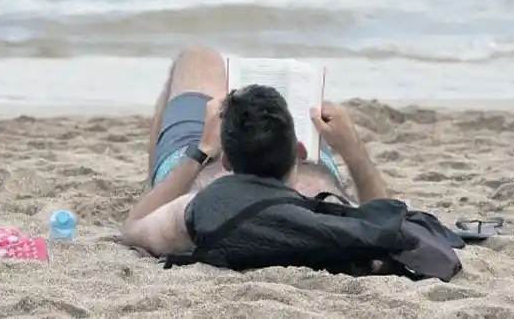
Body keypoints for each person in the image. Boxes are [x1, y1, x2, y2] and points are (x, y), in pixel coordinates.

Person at [121, 46, 390, 258]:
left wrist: (202, 151)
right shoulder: (329, 216)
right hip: (304, 175)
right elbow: (388, 221)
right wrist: (353, 149)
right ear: (298, 149)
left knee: (196, 58)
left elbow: (135, 227)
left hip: (193, 175)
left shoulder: (194, 213)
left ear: (225, 160)